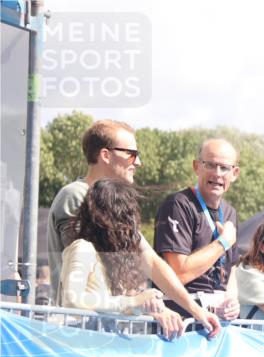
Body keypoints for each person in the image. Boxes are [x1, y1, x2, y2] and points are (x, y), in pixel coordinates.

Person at [58, 179, 221, 340]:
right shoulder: (83, 248)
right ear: (110, 219)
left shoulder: (109, 259)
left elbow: (115, 303)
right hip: (78, 344)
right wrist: (133, 302)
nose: (131, 229)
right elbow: (72, 299)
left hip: (97, 345)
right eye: (126, 218)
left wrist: (153, 309)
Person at [49, 119, 141, 295]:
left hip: (105, 317)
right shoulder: (75, 195)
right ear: (105, 155)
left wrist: (194, 309)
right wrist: (135, 299)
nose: (138, 162)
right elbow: (89, 272)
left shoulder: (115, 203)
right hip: (78, 320)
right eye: (132, 154)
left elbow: (149, 259)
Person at [154, 138, 241, 320]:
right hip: (183, 317)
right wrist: (223, 242)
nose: (217, 174)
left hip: (218, 317)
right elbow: (178, 273)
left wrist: (232, 300)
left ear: (234, 173)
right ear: (196, 167)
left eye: (224, 168)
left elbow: (231, 268)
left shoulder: (229, 212)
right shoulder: (178, 204)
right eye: (210, 165)